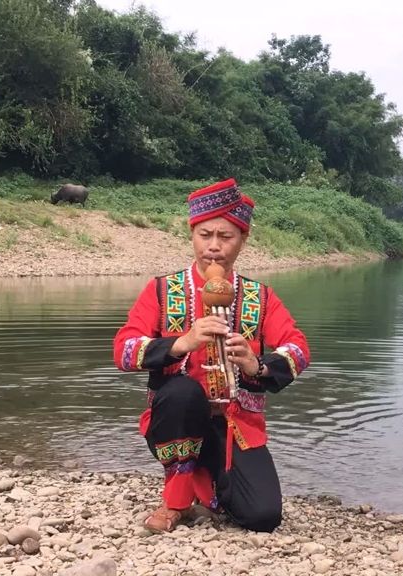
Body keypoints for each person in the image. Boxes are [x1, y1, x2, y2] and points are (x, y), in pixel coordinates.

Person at [113, 178, 310, 533]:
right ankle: (176, 500)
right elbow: (124, 350)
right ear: (193, 236)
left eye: (226, 237)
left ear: (243, 241)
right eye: (205, 236)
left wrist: (256, 364)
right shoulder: (162, 290)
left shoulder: (259, 297)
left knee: (263, 516)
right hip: (175, 417)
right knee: (183, 392)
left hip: (236, 423)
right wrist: (180, 343)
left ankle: (207, 484)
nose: (214, 247)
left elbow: (298, 350)